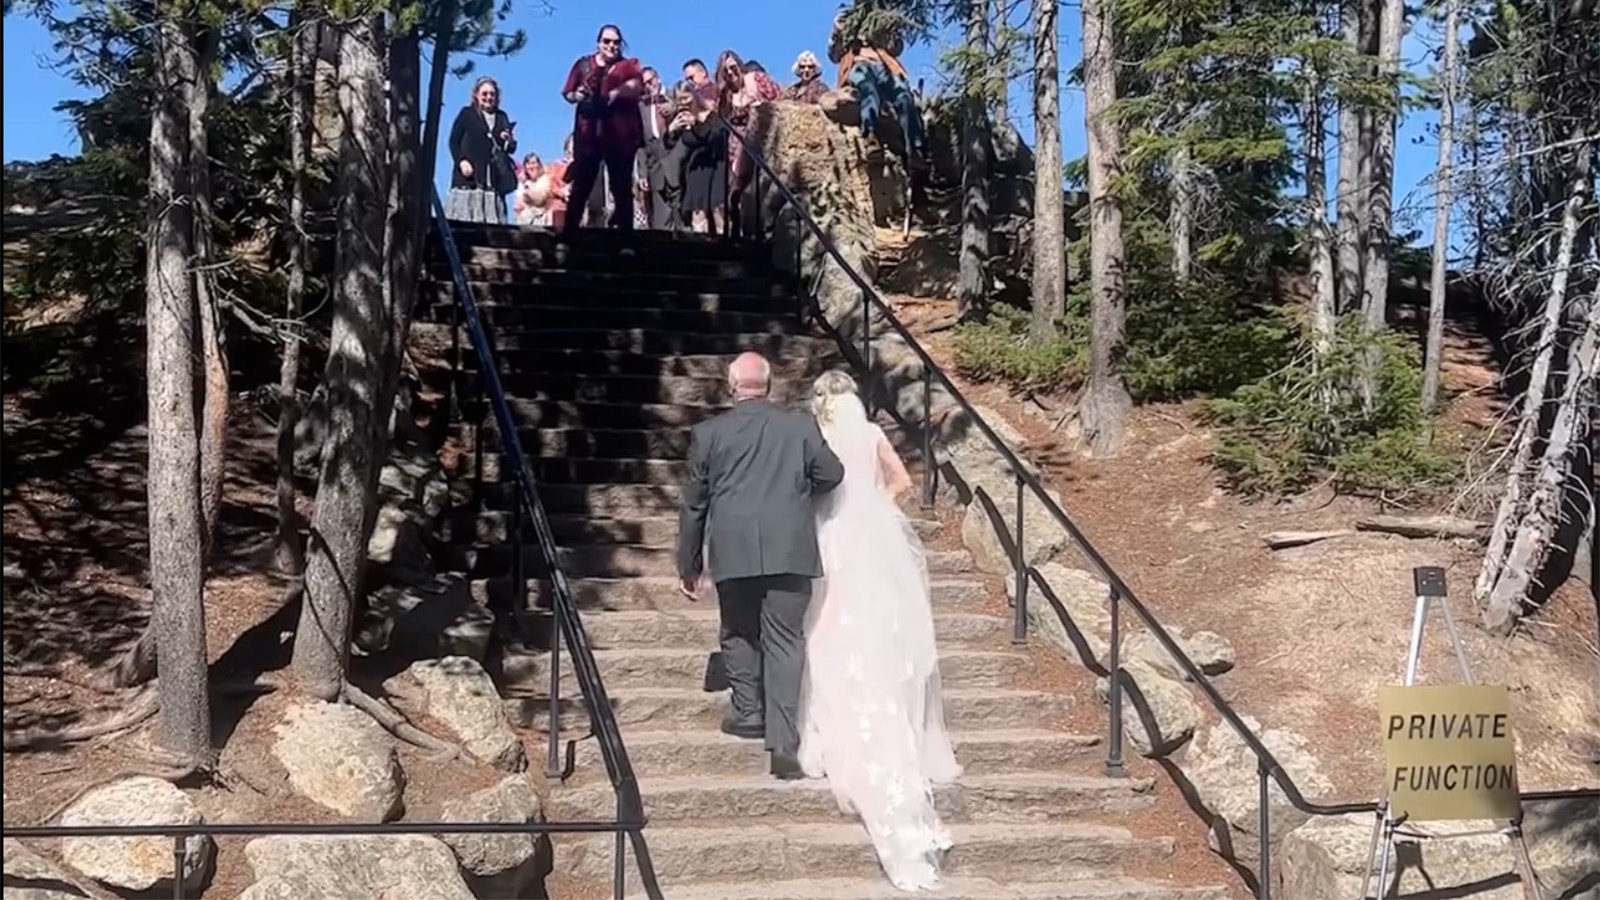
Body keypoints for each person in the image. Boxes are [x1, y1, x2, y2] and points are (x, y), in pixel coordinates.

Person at [798, 369, 962, 892]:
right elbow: (902, 482)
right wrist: (873, 509)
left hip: (828, 540)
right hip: (870, 542)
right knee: (875, 630)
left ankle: (825, 732)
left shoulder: (817, 438)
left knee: (825, 630)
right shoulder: (870, 435)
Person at [676, 352, 845, 781]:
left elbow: (695, 504)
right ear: (768, 386)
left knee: (737, 630)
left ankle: (749, 711)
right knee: (786, 640)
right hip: (789, 548)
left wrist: (689, 563)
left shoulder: (709, 434)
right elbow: (832, 474)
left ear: (732, 386)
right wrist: (799, 490)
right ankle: (784, 742)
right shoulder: (800, 427)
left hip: (733, 549)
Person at [559, 24, 644, 236]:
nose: (611, 46)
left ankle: (626, 240)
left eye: (616, 42)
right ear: (598, 43)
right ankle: (568, 236)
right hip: (588, 135)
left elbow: (637, 86)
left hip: (618, 137)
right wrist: (578, 95)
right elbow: (568, 93)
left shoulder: (627, 66)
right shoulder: (583, 65)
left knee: (621, 188)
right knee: (581, 186)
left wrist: (615, 93)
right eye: (607, 41)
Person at [445, 76, 517, 223]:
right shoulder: (467, 114)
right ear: (476, 95)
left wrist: (509, 140)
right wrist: (461, 161)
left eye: (492, 94)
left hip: (493, 184)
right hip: (469, 181)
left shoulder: (501, 117)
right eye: (484, 94)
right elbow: (453, 142)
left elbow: (510, 149)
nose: (488, 97)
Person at [672, 82, 729, 235]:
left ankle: (724, 243)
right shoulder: (682, 117)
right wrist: (672, 129)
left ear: (694, 95)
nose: (683, 103)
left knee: (718, 209)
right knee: (698, 210)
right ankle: (699, 243)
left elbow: (713, 137)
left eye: (686, 98)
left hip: (716, 164)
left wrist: (695, 124)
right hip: (697, 167)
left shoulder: (711, 115)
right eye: (679, 100)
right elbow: (679, 142)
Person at [637, 66, 683, 230]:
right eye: (644, 84)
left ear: (657, 78)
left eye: (650, 81)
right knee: (661, 224)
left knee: (682, 220)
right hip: (654, 167)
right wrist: (642, 173)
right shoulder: (641, 107)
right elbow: (641, 143)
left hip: (677, 163)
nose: (648, 86)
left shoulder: (674, 97)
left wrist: (675, 107)